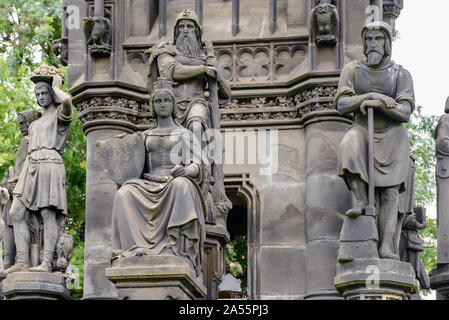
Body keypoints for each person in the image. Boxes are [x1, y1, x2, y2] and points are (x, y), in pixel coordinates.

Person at [334, 21, 415, 260]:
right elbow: (341, 104)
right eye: (368, 39)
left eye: (378, 39)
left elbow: (404, 112)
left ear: (387, 42)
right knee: (348, 147)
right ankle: (360, 200)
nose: (372, 44)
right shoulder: (353, 70)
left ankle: (386, 246)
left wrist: (380, 103)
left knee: (390, 193)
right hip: (362, 129)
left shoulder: (401, 73)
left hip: (393, 136)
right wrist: (369, 96)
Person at [111, 79, 206, 275]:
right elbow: (133, 167)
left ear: (173, 105)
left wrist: (186, 171)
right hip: (148, 183)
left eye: (166, 100)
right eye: (158, 101)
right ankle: (132, 248)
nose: (162, 104)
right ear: (153, 106)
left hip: (174, 182)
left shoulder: (184, 134)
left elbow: (198, 164)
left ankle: (175, 246)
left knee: (182, 186)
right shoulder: (145, 136)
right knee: (124, 193)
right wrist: (124, 149)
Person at [6, 66, 73, 273]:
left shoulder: (59, 117)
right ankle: (23, 261)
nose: (41, 97)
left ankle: (46, 262)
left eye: (44, 93)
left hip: (50, 164)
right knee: (16, 212)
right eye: (37, 94)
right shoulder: (34, 125)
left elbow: (68, 102)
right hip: (31, 167)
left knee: (47, 214)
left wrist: (57, 86)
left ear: (52, 94)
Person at [1, 110, 42, 270]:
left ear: (31, 122)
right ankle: (12, 262)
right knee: (10, 222)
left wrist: (16, 181)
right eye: (19, 124)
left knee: (13, 220)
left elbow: (28, 165)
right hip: (16, 188)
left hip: (22, 188)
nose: (21, 127)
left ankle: (16, 262)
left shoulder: (28, 140)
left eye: (23, 123)